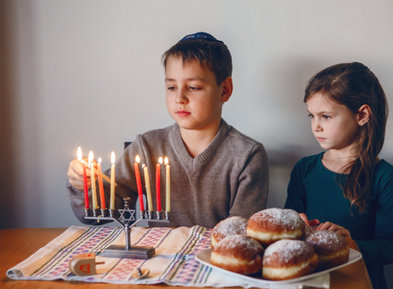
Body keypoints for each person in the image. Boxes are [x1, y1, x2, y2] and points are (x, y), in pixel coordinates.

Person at [67, 32, 269, 228]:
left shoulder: (247, 155)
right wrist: (84, 185)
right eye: (171, 87)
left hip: (214, 260)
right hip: (157, 260)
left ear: (224, 90)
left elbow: (240, 233)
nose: (179, 98)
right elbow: (100, 213)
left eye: (194, 87)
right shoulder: (147, 147)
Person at [285, 62, 393, 289]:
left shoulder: (385, 176)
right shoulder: (303, 169)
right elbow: (289, 222)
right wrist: (296, 224)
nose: (316, 126)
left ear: (361, 115)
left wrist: (350, 244)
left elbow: (389, 248)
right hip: (309, 285)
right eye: (312, 116)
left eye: (326, 116)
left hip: (358, 287)